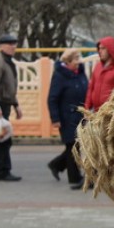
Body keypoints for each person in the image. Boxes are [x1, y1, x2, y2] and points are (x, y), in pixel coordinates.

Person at [47, 48, 89, 190]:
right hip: (66, 117)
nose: (79, 62)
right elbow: (52, 98)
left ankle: (56, 164)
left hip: (80, 116)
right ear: (68, 61)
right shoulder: (60, 76)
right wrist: (55, 118)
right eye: (76, 59)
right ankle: (74, 178)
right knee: (72, 146)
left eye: (79, 58)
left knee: (76, 145)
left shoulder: (80, 73)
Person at [0, 34, 23, 181]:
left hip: (5, 104)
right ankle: (3, 171)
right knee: (4, 139)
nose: (13, 46)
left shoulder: (7, 61)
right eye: (9, 44)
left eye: (14, 43)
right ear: (1, 46)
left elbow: (9, 87)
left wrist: (15, 105)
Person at [84, 36, 114, 111]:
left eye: (103, 48)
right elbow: (91, 88)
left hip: (111, 114)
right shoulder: (98, 66)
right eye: (99, 48)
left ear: (110, 49)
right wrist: (87, 107)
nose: (99, 51)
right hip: (95, 112)